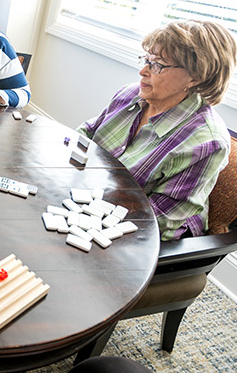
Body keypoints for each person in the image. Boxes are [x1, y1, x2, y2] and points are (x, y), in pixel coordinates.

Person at [78, 20, 237, 241]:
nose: (143, 71)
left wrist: (83, 213)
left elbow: (158, 220)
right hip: (91, 198)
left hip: (138, 232)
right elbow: (85, 134)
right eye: (146, 60)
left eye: (158, 65)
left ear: (196, 77)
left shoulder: (206, 143)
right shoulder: (130, 94)